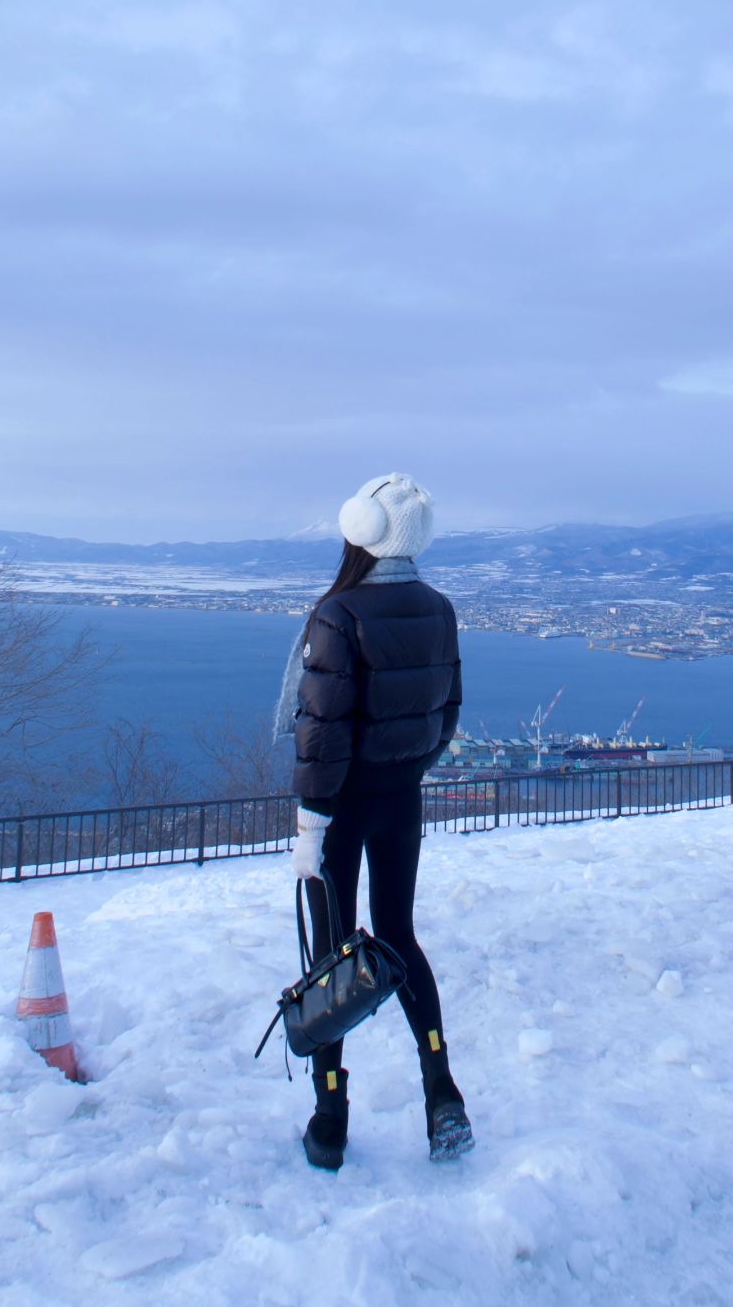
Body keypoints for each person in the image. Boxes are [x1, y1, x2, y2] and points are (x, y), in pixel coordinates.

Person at [275, 472, 472, 1170]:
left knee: (332, 958)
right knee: (400, 938)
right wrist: (407, 768)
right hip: (402, 796)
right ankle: (441, 1089)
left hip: (343, 806)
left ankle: (330, 1117)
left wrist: (310, 827)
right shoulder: (440, 608)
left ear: (360, 529)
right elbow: (446, 713)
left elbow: (322, 732)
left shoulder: (340, 615)